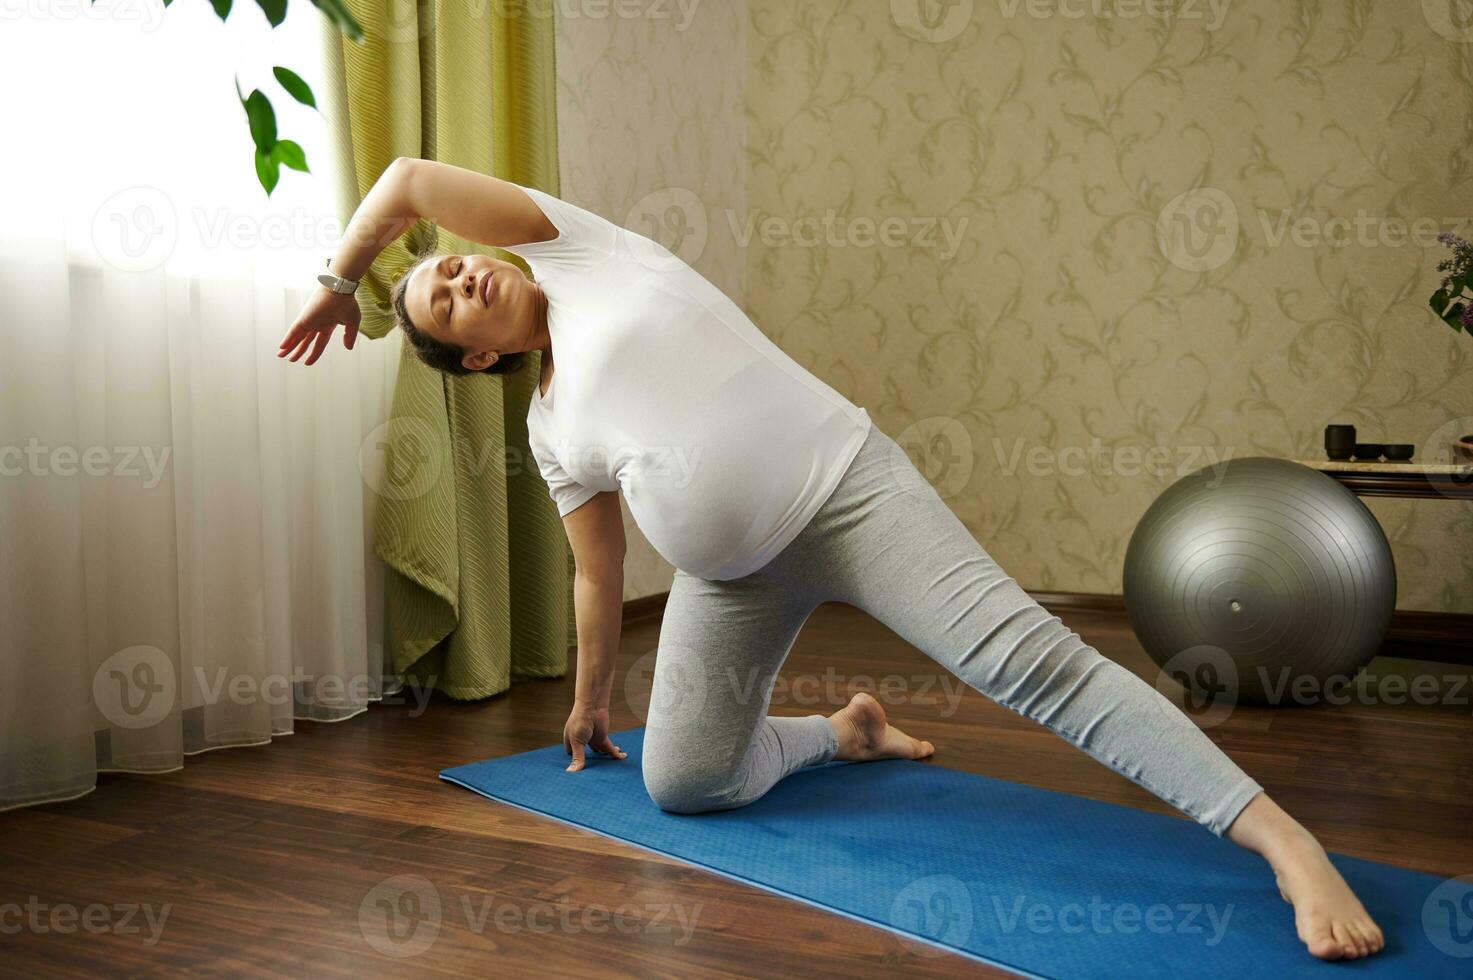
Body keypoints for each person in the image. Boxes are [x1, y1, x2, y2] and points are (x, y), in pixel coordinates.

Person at [279, 157, 1385, 961]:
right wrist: (585, 703)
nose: (462, 274)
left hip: (853, 493)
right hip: (731, 580)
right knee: (685, 780)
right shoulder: (548, 430)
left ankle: (1283, 840)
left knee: (1031, 665)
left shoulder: (578, 247)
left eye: (455, 266)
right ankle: (843, 730)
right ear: (475, 357)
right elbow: (595, 571)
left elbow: (411, 179)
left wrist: (347, 276)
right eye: (441, 297)